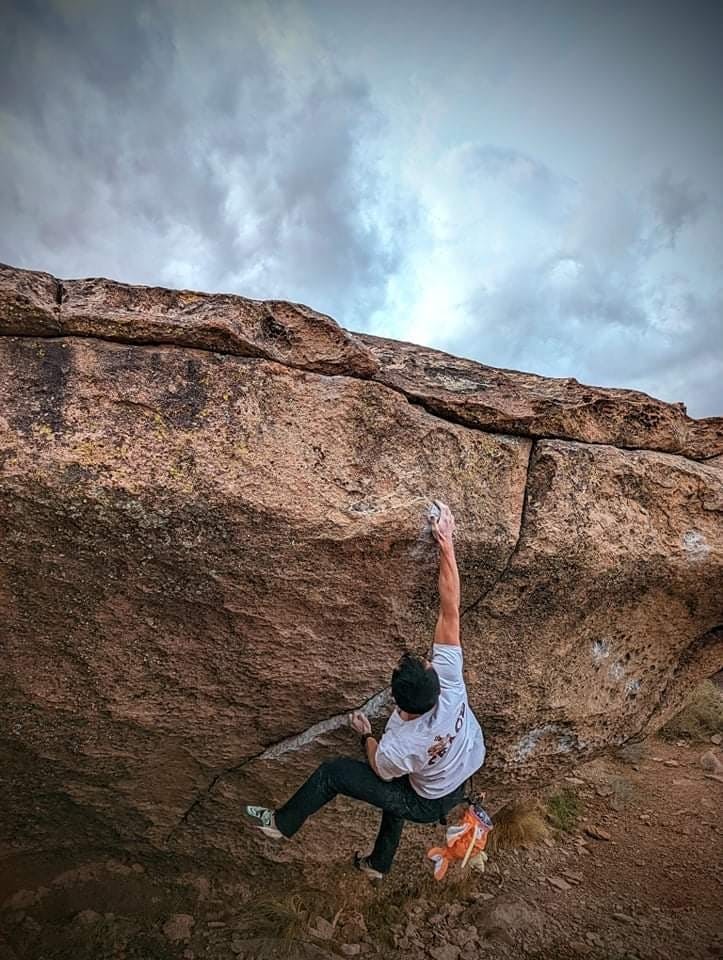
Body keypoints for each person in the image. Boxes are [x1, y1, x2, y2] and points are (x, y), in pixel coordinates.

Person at [242, 500, 486, 879]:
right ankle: (378, 865)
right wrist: (446, 543)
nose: (429, 657)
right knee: (402, 791)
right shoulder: (450, 685)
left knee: (335, 773)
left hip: (429, 798)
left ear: (397, 701)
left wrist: (366, 735)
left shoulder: (398, 745)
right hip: (456, 776)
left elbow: (379, 767)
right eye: (428, 661)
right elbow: (449, 609)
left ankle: (280, 824)